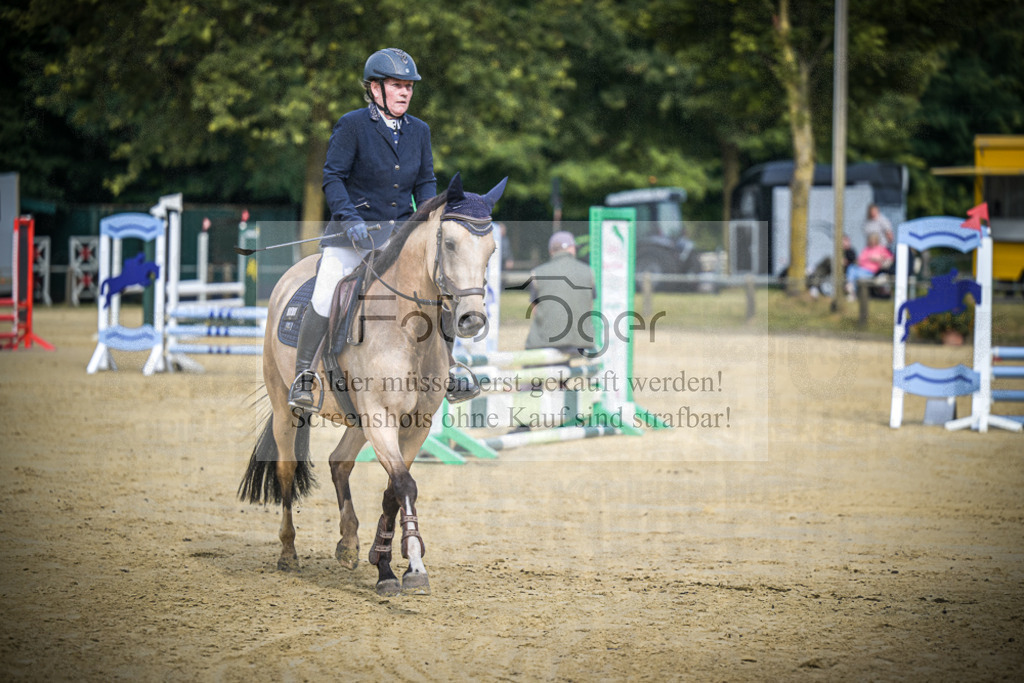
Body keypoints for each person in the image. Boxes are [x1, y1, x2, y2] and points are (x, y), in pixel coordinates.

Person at [289, 48, 476, 411]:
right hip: (351, 234)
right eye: (397, 85)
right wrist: (350, 219)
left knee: (440, 289)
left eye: (408, 86)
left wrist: (427, 219)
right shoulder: (353, 125)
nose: (405, 92)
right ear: (375, 89)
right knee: (327, 289)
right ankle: (304, 377)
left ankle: (450, 370)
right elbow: (333, 178)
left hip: (399, 234)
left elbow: (425, 182)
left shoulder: (419, 130)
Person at [525, 231, 595, 355]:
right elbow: (590, 305)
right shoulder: (588, 272)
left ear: (551, 251)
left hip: (544, 342)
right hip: (582, 342)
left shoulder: (537, 272)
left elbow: (534, 308)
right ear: (571, 248)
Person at [845, 231, 893, 301]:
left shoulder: (881, 249)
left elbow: (890, 259)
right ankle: (851, 287)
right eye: (870, 240)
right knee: (851, 268)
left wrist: (879, 259)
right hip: (861, 268)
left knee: (855, 273)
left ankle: (851, 290)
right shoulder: (867, 249)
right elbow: (859, 260)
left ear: (876, 240)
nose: (872, 242)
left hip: (871, 271)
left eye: (873, 240)